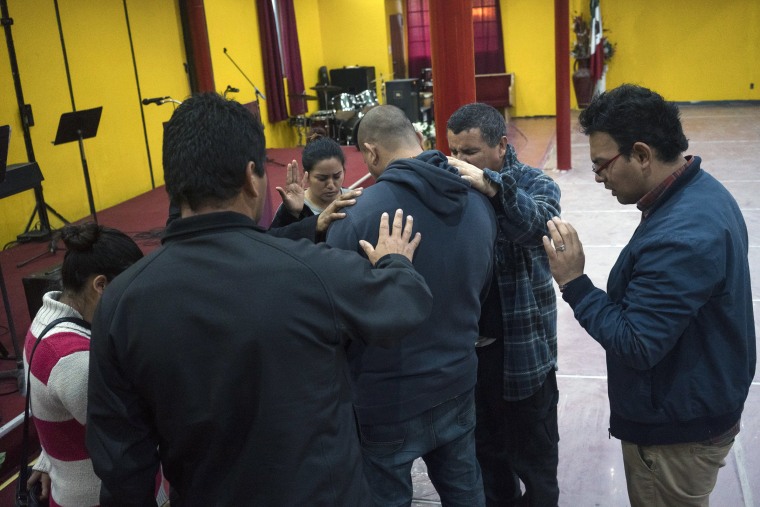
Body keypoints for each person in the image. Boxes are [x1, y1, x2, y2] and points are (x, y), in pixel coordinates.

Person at [86, 92, 434, 506]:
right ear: (252, 176)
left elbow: (123, 465)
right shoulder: (312, 273)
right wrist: (394, 261)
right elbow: (404, 305)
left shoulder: (121, 300)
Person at [542, 84, 756, 506]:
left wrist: (575, 284)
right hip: (697, 403)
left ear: (641, 154)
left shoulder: (682, 235)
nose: (598, 176)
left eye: (602, 164)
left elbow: (638, 344)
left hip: (678, 430)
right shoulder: (698, 191)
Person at [327, 104, 496, 506]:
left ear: (369, 153)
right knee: (466, 491)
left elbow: (336, 321)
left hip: (386, 398)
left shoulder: (356, 217)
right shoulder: (479, 203)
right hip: (458, 381)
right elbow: (482, 289)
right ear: (419, 140)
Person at [446, 102, 562, 507]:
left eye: (470, 152)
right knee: (487, 465)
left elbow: (537, 225)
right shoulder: (451, 191)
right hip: (471, 360)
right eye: (454, 152)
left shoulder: (535, 183)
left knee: (537, 466)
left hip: (524, 358)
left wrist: (491, 186)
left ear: (500, 146)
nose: (459, 162)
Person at [22, 223, 143, 506]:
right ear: (100, 285)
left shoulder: (46, 318)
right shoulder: (72, 359)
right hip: (100, 495)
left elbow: (55, 404)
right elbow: (134, 432)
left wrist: (49, 456)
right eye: (129, 291)